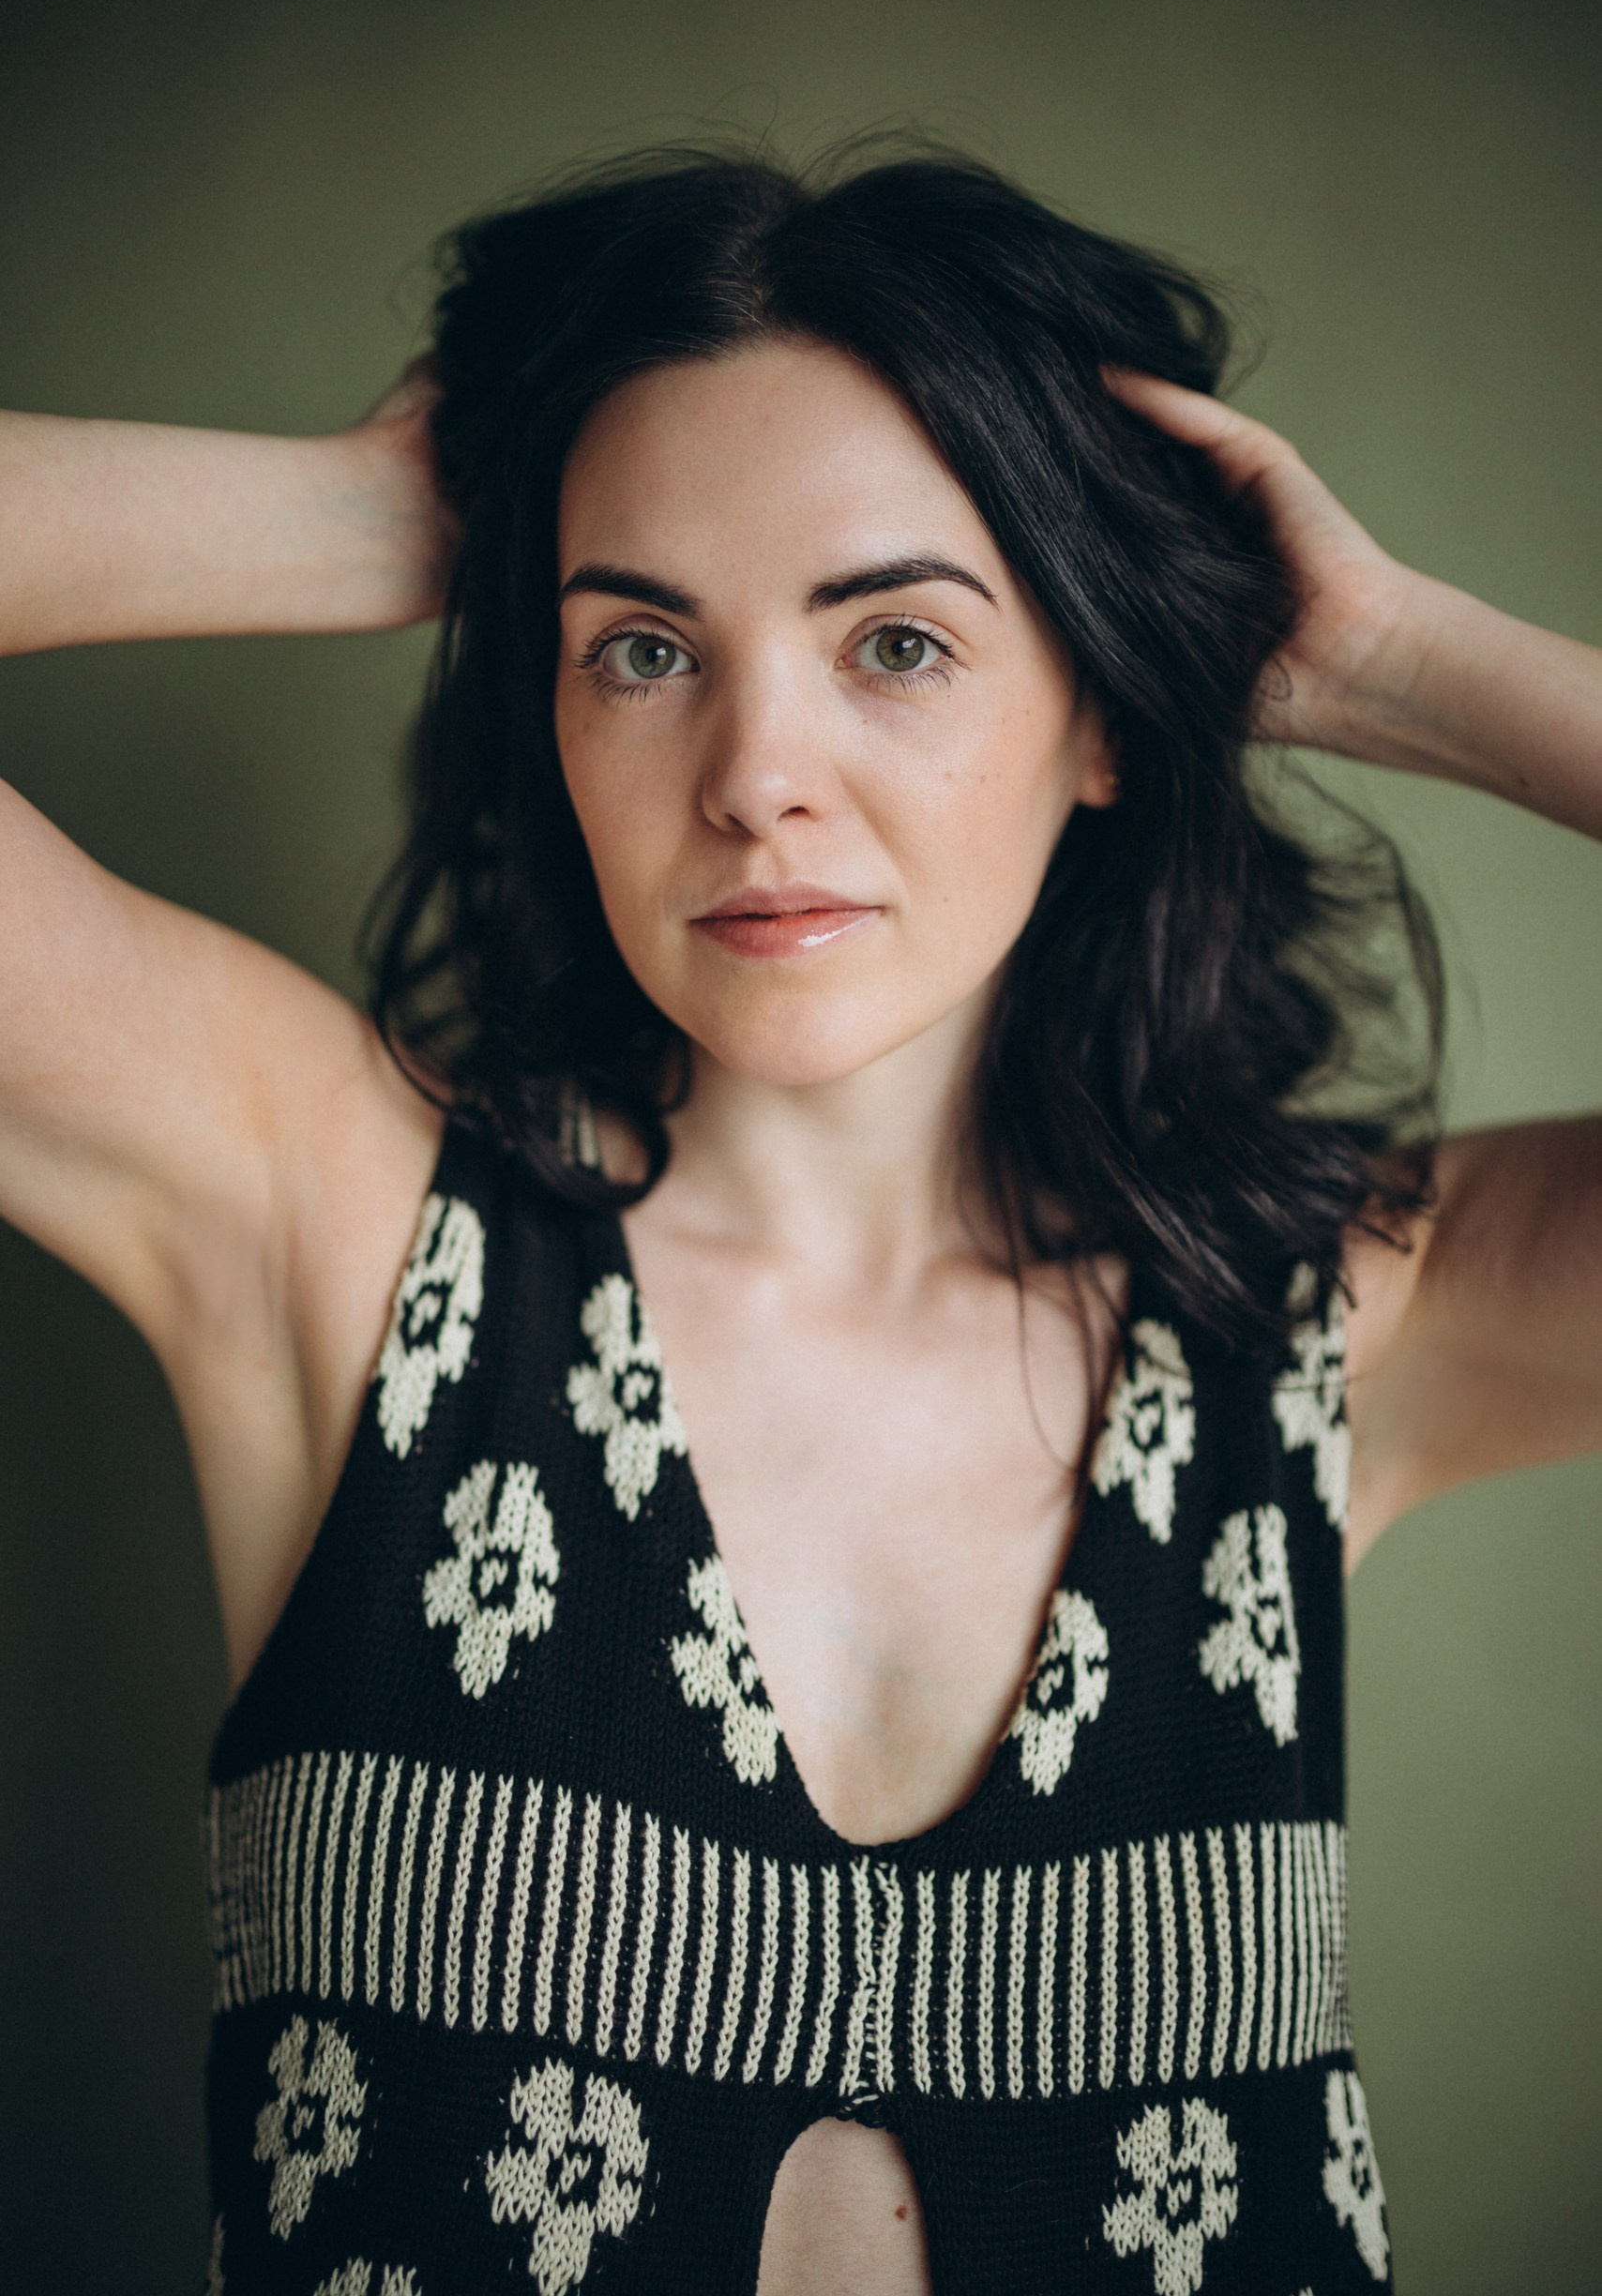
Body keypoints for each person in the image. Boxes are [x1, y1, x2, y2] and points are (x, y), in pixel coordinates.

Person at [1, 146, 1597, 2296]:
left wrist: (1399, 657)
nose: (757, 767)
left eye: (899, 640)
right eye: (644, 644)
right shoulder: (336, 1217)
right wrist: (367, 517)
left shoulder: (1324, 1316)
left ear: (1100, 704)